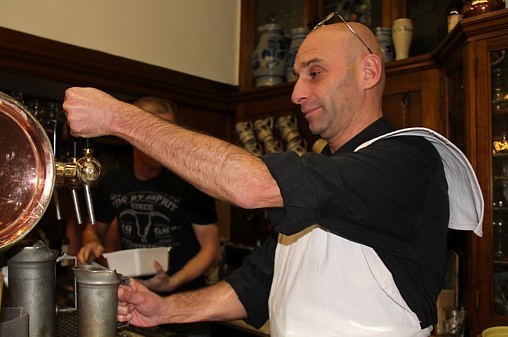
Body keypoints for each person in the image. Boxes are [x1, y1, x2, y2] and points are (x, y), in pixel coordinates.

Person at [63, 16, 483, 337]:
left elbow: (251, 186)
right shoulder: (327, 177)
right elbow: (255, 284)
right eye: (297, 76)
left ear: (368, 72)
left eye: (314, 72)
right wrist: (164, 309)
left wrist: (121, 118)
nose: (297, 93)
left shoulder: (409, 159)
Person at [75, 96, 221, 336]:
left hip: (188, 309)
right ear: (134, 134)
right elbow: (93, 230)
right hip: (134, 304)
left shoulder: (191, 182)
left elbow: (210, 248)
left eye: (168, 134)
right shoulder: (113, 182)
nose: (163, 143)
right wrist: (91, 242)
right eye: (155, 133)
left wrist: (174, 281)